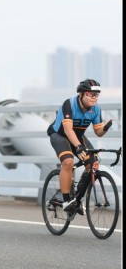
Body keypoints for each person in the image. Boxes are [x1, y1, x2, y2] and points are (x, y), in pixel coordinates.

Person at [47, 79, 113, 215]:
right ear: (81, 94)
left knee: (93, 163)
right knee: (68, 161)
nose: (94, 98)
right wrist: (78, 146)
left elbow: (98, 132)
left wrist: (105, 127)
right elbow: (67, 130)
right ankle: (66, 200)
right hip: (60, 135)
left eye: (96, 95)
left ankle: (77, 198)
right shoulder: (69, 104)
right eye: (90, 94)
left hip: (78, 136)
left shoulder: (96, 109)